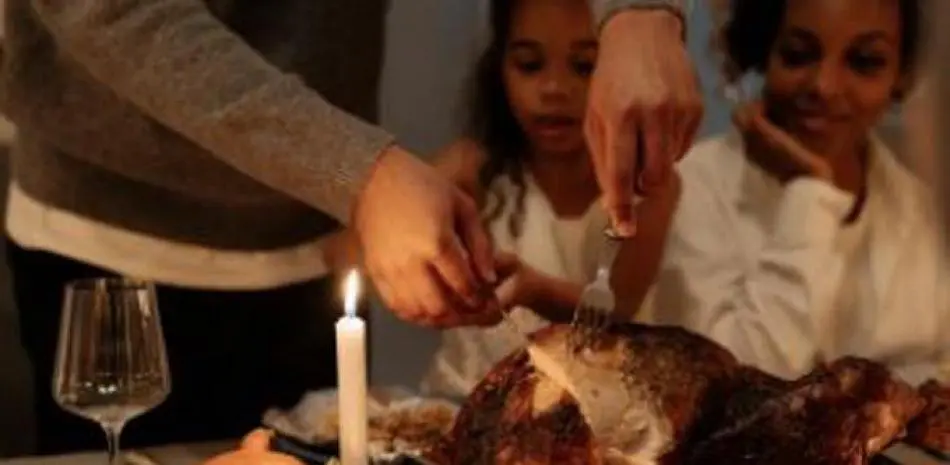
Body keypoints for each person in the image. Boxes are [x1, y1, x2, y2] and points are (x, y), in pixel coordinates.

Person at [0, 0, 699, 454]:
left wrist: (639, 13)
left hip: (303, 262)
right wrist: (360, 175)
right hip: (103, 245)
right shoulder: (475, 167)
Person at [647, 0, 942, 384]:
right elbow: (733, 382)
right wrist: (811, 191)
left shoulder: (924, 212)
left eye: (864, 62)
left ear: (901, 74)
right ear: (763, 51)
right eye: (799, 55)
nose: (824, 86)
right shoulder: (691, 189)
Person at [418, 0, 681, 398]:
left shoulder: (650, 183)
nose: (554, 89)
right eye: (530, 65)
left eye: (584, 66)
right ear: (499, 67)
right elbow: (366, 237)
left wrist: (534, 289)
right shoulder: (470, 170)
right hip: (461, 403)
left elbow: (620, 308)